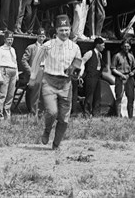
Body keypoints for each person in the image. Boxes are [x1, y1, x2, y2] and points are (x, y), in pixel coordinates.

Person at [30, 14, 82, 150]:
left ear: (70, 29)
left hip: (66, 84)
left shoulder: (75, 47)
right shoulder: (47, 45)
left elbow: (78, 65)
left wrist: (76, 72)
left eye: (66, 30)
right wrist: (33, 77)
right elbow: (36, 61)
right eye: (61, 30)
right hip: (49, 82)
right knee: (52, 112)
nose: (64, 33)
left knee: (64, 118)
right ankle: (47, 131)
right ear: (56, 31)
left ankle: (56, 144)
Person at [21, 28, 47, 115]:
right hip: (36, 70)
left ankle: (41, 111)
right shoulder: (31, 47)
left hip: (45, 70)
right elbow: (24, 60)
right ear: (36, 37)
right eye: (40, 36)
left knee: (44, 92)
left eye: (43, 36)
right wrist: (31, 71)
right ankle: (33, 111)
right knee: (35, 92)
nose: (41, 38)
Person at [111, 39, 135, 118]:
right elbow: (113, 68)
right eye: (125, 46)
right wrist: (121, 75)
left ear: (130, 47)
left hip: (129, 78)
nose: (126, 48)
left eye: (128, 46)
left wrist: (133, 72)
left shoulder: (131, 56)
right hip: (120, 78)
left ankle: (130, 116)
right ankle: (118, 116)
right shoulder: (117, 56)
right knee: (119, 97)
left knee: (131, 97)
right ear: (122, 46)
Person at [0, 31, 18, 119]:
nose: (10, 41)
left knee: (10, 94)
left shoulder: (13, 50)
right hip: (4, 71)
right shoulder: (0, 50)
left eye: (11, 39)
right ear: (4, 39)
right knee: (2, 94)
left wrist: (16, 73)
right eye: (8, 39)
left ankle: (7, 113)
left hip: (13, 71)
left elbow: (15, 62)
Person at [80, 36, 105, 118]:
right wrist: (81, 74)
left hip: (97, 77)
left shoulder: (100, 55)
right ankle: (86, 113)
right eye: (102, 45)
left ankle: (96, 113)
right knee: (89, 95)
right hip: (90, 77)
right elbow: (82, 62)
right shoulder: (90, 53)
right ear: (97, 45)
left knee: (97, 96)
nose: (104, 47)